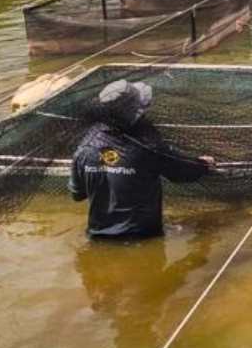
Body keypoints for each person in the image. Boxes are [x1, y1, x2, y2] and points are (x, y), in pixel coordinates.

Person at [69, 79, 215, 239]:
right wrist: (203, 164)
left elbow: (77, 195)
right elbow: (183, 173)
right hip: (142, 237)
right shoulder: (147, 147)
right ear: (132, 111)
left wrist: (106, 169)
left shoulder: (84, 147)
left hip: (97, 238)